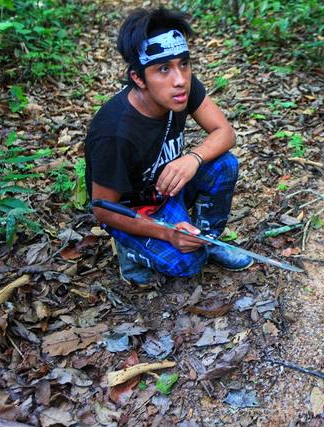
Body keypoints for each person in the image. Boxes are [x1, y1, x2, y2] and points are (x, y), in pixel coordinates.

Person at [84, 7, 252, 285]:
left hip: (167, 190)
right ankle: (130, 251)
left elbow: (225, 132)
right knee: (188, 265)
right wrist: (167, 233)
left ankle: (205, 240)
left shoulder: (181, 88)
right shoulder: (114, 132)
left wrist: (193, 159)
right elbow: (103, 210)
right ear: (139, 78)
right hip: (133, 211)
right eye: (163, 69)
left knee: (224, 163)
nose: (179, 79)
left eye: (183, 64)